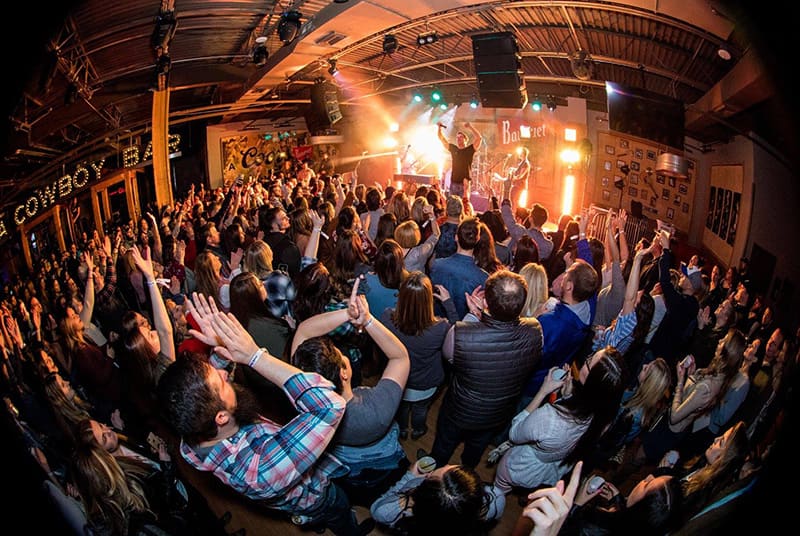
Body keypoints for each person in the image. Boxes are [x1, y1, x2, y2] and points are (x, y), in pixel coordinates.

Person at [156, 293, 369, 535]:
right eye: (221, 382)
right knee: (339, 510)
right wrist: (255, 356)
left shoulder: (194, 429)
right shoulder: (259, 472)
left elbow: (207, 394)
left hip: (296, 487)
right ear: (221, 418)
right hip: (316, 496)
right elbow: (329, 406)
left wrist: (220, 348)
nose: (224, 374)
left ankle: (316, 523)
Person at [290, 279, 410, 506]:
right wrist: (367, 319)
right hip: (384, 459)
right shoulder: (377, 408)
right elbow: (400, 357)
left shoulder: (302, 395)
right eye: (341, 355)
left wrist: (347, 313)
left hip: (342, 462)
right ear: (344, 373)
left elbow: (304, 330)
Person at [490, 346, 626, 516]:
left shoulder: (550, 417)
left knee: (498, 492)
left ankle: (491, 511)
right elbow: (573, 426)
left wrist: (543, 391)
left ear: (591, 380)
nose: (587, 358)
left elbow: (515, 433)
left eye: (590, 361)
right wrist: (568, 396)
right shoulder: (604, 418)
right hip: (550, 470)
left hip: (520, 467)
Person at [429, 270, 542, 469]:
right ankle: (466, 473)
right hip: (497, 413)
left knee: (443, 447)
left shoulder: (459, 334)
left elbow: (450, 357)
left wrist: (473, 316)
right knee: (475, 451)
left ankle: (434, 471)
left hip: (460, 411)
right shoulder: (536, 331)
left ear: (486, 302)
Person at [384, 272, 458, 440]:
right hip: (426, 382)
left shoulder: (387, 317)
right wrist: (448, 302)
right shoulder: (441, 327)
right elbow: (458, 333)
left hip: (399, 380)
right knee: (420, 409)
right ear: (429, 300)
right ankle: (418, 430)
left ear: (401, 295)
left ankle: (403, 430)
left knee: (402, 408)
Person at [370, 456, 502, 534]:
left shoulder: (388, 512)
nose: (447, 464)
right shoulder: (496, 498)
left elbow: (376, 508)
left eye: (431, 476)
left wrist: (410, 476)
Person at [429, 217, 489, 320]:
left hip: (437, 323)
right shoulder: (483, 278)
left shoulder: (437, 265)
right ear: (477, 239)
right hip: (464, 326)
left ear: (456, 237)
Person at [437, 122, 483, 198]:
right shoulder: (454, 149)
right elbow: (442, 139)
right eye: (457, 138)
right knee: (452, 203)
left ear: (465, 140)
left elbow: (479, 138)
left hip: (464, 184)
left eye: (461, 137)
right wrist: (439, 129)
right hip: (454, 182)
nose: (458, 139)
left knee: (463, 203)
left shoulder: (469, 149)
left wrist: (470, 127)